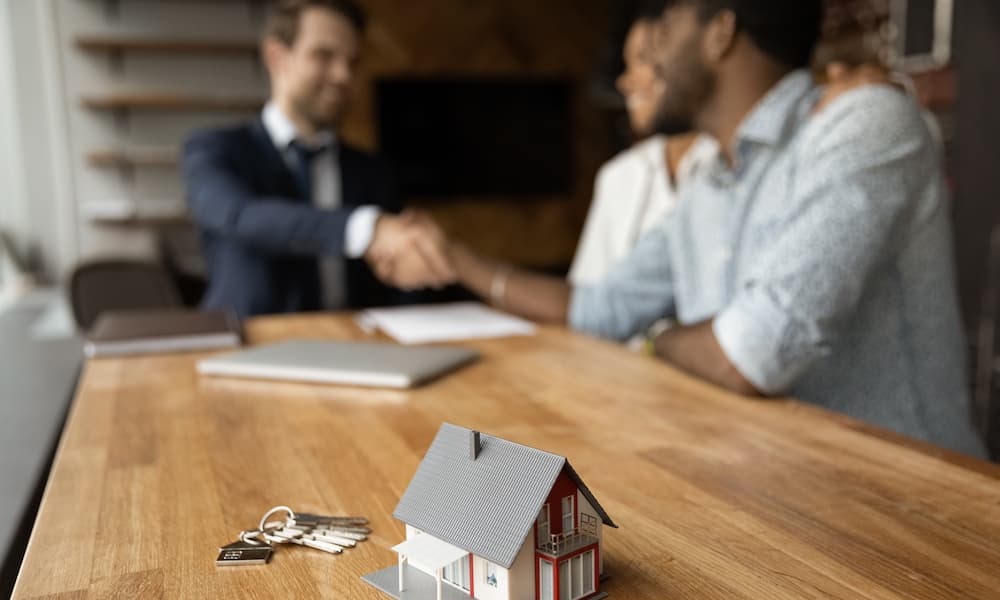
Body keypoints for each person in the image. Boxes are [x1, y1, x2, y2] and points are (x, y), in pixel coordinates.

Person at [390, 0, 985, 458]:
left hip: (914, 510)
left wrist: (656, 339)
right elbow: (596, 307)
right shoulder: (709, 185)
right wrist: (458, 259)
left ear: (720, 32)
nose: (651, 61)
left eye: (666, 30)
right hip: (784, 488)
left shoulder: (863, 123)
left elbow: (750, 354)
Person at [182, 0, 453, 318]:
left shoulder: (373, 170)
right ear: (276, 57)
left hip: (359, 350)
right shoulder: (215, 149)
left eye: (352, 62)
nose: (342, 75)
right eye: (324, 56)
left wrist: (425, 260)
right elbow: (240, 216)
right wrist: (365, 229)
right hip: (252, 344)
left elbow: (399, 282)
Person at [570, 11, 715, 286]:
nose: (624, 81)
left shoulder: (729, 164)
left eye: (641, 59)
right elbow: (586, 292)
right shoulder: (619, 176)